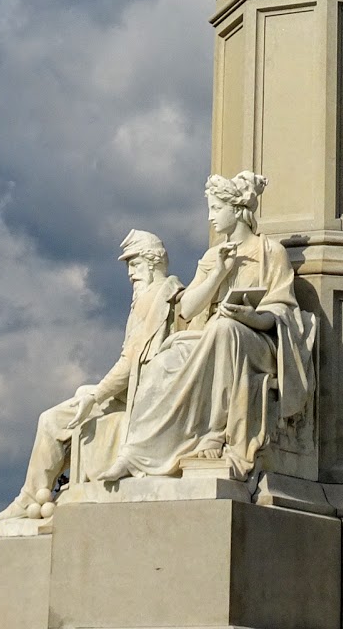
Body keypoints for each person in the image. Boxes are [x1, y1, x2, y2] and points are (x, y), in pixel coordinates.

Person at [99, 171, 313, 481]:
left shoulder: (270, 253)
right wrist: (218, 274)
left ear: (237, 209)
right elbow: (187, 308)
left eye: (216, 208)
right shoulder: (214, 255)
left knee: (223, 329)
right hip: (210, 340)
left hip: (257, 344)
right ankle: (136, 454)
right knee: (163, 362)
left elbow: (281, 310)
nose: (211, 217)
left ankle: (214, 433)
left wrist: (248, 317)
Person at [0, 228, 181, 521]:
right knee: (73, 403)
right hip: (131, 393)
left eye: (135, 264)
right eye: (128, 265)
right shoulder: (144, 299)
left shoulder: (157, 298)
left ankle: (30, 500)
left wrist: (96, 395)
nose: (130, 273)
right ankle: (34, 498)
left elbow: (130, 363)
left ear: (153, 262)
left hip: (143, 398)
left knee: (52, 419)